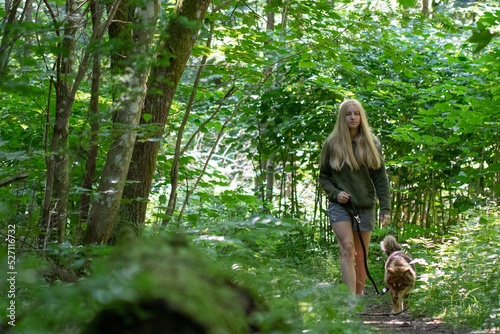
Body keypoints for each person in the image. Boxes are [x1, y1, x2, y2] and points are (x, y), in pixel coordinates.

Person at [319, 99, 391, 296]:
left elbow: (381, 179)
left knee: (361, 257)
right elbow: (323, 177)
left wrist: (386, 209)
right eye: (348, 114)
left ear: (361, 117)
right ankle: (350, 301)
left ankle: (358, 296)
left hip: (365, 206)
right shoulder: (332, 143)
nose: (352, 117)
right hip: (340, 205)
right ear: (342, 118)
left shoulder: (371, 143)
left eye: (356, 113)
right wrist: (335, 193)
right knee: (348, 249)